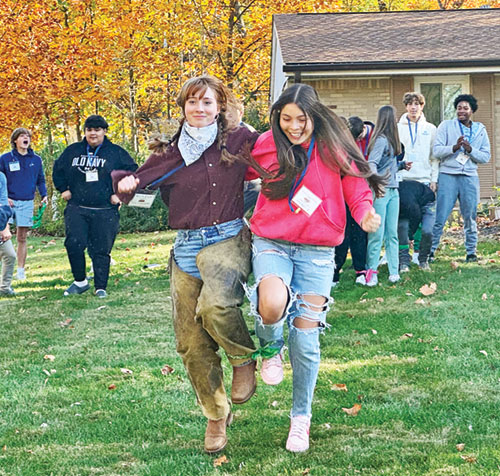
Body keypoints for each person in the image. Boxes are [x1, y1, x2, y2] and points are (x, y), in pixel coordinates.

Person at [113, 76, 262, 454]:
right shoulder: (168, 151)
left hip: (228, 238)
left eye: (208, 103)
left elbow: (276, 153)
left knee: (216, 307)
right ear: (183, 108)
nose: (200, 109)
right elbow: (138, 185)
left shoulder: (239, 138)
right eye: (193, 103)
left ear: (220, 106)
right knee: (190, 342)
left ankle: (243, 358)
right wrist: (126, 187)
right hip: (185, 246)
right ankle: (216, 414)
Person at [246, 83, 383, 452]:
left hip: (318, 252)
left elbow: (356, 185)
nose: (293, 126)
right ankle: (271, 347)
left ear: (314, 116)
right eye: (285, 118)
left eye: (301, 120)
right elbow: (237, 171)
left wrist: (364, 211)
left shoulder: (332, 146)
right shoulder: (267, 143)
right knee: (271, 302)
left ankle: (300, 420)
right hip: (272, 240)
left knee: (306, 341)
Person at [52, 115, 138, 298]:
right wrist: (63, 189)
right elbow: (57, 169)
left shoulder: (116, 152)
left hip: (105, 209)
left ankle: (100, 287)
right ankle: (80, 281)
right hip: (77, 207)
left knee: (101, 250)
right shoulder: (73, 151)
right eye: (89, 129)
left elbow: (133, 173)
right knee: (73, 244)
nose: (93, 133)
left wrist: (120, 194)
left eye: (97, 130)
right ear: (85, 132)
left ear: (104, 132)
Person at [431, 94, 491, 262]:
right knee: (440, 215)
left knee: (470, 215)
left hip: (469, 177)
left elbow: (486, 157)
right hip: (448, 175)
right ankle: (430, 251)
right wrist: (454, 147)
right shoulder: (446, 126)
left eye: (465, 108)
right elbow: (436, 151)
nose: (461, 111)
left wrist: (470, 150)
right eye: (459, 108)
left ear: (472, 111)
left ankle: (471, 252)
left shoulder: (480, 130)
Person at [365, 105, 411, 286]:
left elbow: (385, 165)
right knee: (377, 234)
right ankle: (372, 272)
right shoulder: (381, 140)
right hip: (382, 191)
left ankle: (394, 270)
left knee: (392, 233)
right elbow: (371, 164)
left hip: (394, 191)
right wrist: (377, 184)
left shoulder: (391, 142)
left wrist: (401, 166)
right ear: (389, 120)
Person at [397, 92, 438, 271]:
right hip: (404, 181)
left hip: (424, 181)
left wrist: (434, 179)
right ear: (406, 106)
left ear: (422, 106)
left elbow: (435, 157)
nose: (413, 107)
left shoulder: (430, 128)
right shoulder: (397, 128)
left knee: (426, 223)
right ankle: (403, 259)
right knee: (404, 223)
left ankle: (421, 258)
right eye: (410, 104)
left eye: (417, 104)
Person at [0, 128, 47, 280]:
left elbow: (41, 179)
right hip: (8, 202)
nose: (26, 138)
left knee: (22, 237)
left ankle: (20, 271)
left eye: (27, 136)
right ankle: (5, 270)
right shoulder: (5, 158)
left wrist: (44, 195)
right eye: (22, 136)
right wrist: (4, 198)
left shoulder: (36, 159)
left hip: (27, 201)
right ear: (15, 140)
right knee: (3, 236)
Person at [332, 116, 373, 286]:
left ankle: (360, 270)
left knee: (358, 234)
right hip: (338, 195)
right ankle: (334, 271)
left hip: (357, 192)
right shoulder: (336, 145)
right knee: (341, 235)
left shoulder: (369, 139)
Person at [0, 171, 15, 297]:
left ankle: (4, 288)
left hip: (1, 221)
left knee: (10, 255)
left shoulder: (1, 177)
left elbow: (4, 205)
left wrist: (5, 226)